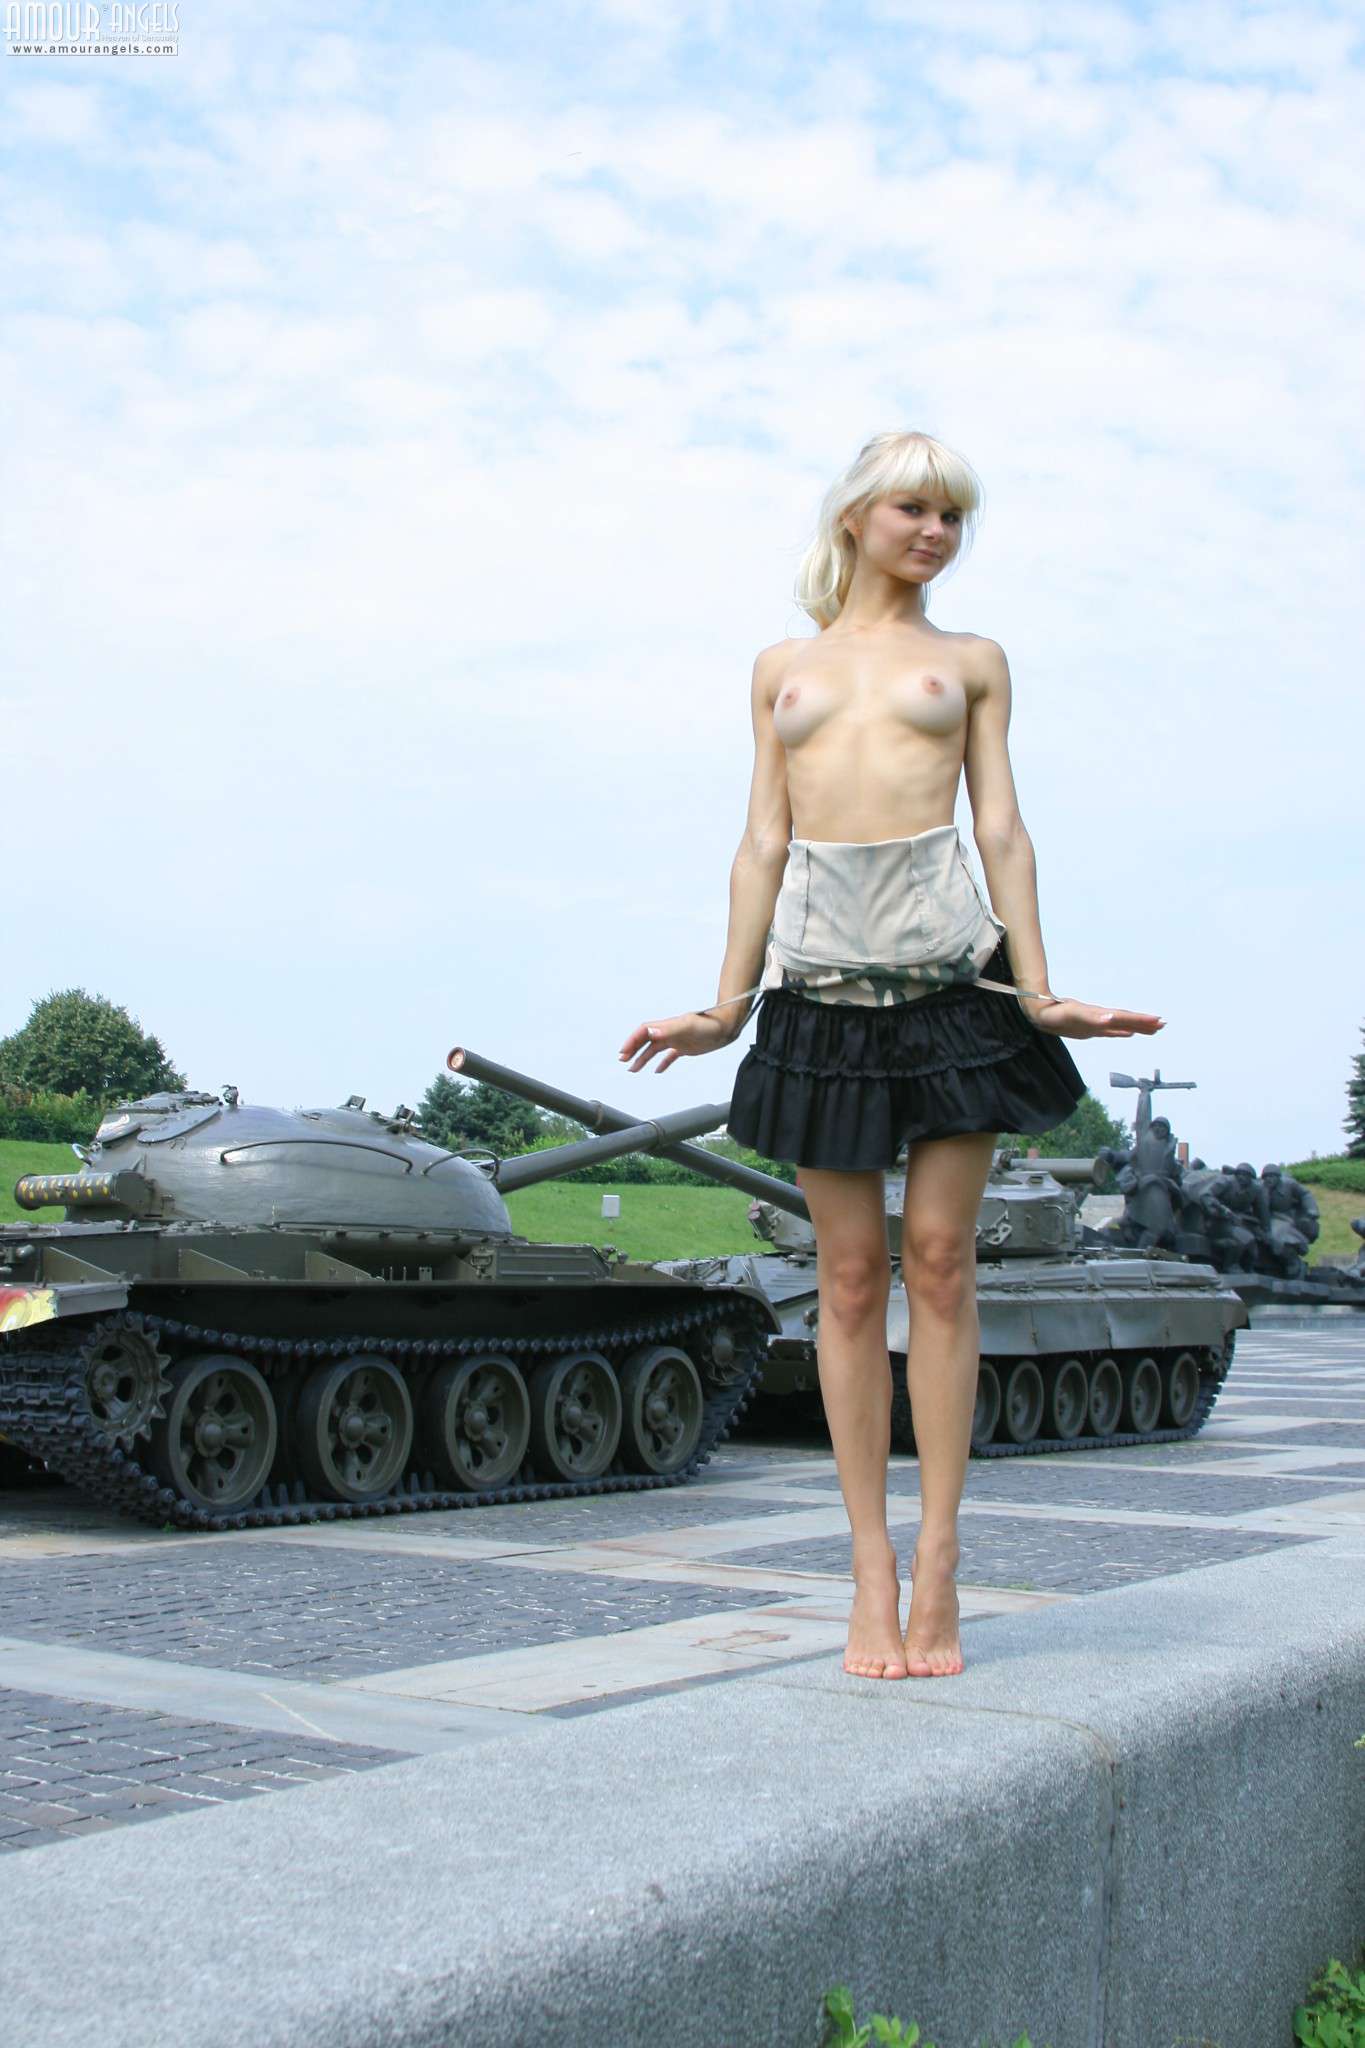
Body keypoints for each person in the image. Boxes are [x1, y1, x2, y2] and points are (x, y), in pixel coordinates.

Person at [617, 430, 1164, 1683]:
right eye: (915, 508)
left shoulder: (972, 661)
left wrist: (1038, 988)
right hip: (819, 994)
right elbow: (762, 840)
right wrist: (723, 1005)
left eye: (953, 516)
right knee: (851, 1280)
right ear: (857, 517)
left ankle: (944, 1556)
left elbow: (1002, 824)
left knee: (944, 1263)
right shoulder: (781, 668)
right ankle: (870, 1568)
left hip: (952, 987)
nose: (935, 532)